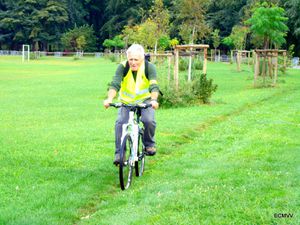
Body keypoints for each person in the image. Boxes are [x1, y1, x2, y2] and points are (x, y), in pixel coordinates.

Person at [103, 44, 160, 165]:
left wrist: (154, 100)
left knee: (148, 120)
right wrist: (109, 99)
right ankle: (120, 154)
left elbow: (154, 86)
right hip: (126, 101)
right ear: (127, 58)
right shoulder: (122, 67)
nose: (133, 62)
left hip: (145, 100)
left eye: (136, 60)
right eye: (130, 59)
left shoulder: (149, 67)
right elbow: (115, 84)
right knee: (120, 123)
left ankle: (149, 145)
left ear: (142, 58)